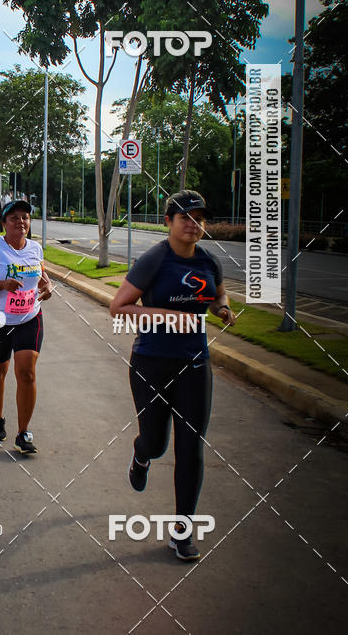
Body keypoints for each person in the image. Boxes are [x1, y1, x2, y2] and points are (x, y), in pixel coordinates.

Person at [109, 189, 236, 562]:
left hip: (195, 365)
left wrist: (223, 309)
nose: (193, 224)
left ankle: (182, 533)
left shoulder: (209, 262)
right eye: (185, 217)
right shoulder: (155, 260)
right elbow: (119, 307)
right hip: (152, 363)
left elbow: (217, 295)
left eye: (199, 218)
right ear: (168, 221)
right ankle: (141, 454)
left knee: (191, 447)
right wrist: (167, 315)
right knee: (157, 442)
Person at [0, 200, 52, 454]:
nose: (21, 222)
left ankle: (23, 432)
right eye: (14, 217)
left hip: (29, 318)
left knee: (26, 372)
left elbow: (40, 275)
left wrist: (47, 288)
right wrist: (3, 285)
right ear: (3, 223)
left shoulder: (35, 249)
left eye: (25, 217)